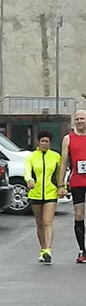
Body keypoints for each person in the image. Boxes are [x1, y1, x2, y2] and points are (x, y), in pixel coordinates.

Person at [24, 131, 62, 263]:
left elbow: (59, 174)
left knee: (47, 222)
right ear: (38, 142)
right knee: (39, 223)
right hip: (35, 193)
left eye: (47, 141)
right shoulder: (31, 157)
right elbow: (27, 171)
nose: (44, 144)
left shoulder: (56, 157)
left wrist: (62, 187)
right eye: (42, 141)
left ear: (50, 143)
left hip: (51, 192)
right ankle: (42, 248)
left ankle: (48, 250)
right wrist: (29, 180)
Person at [58, 109, 86, 262]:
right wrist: (60, 185)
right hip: (77, 181)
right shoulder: (68, 138)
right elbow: (63, 163)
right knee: (79, 215)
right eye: (77, 119)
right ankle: (82, 250)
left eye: (82, 118)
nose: (80, 121)